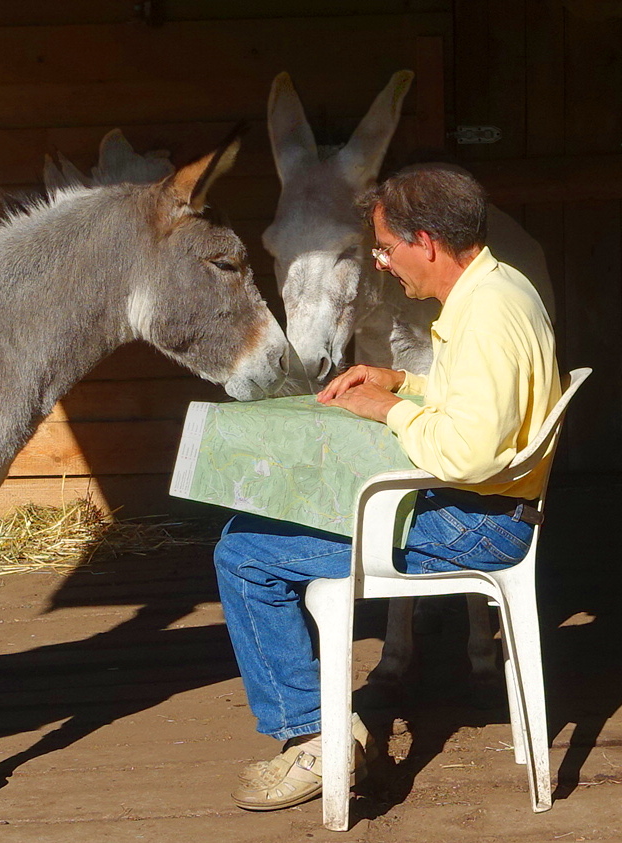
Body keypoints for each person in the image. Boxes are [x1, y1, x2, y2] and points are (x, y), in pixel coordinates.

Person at [213, 166, 561, 811]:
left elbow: (471, 453)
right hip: (487, 510)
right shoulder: (498, 289)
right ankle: (322, 731)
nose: (383, 263)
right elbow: (484, 401)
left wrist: (387, 412)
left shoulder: (483, 316)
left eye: (384, 249)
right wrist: (401, 381)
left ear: (424, 242)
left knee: (243, 554)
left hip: (475, 523)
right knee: (249, 537)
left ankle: (316, 739)